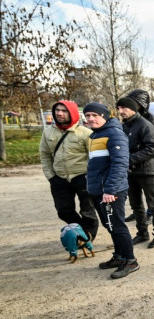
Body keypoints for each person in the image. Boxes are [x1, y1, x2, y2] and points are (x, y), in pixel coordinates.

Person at [83, 103, 139, 279]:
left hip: (111, 191)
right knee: (110, 225)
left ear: (105, 116)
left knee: (117, 225)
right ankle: (119, 256)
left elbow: (120, 164)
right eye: (88, 115)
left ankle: (130, 261)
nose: (91, 119)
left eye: (95, 115)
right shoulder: (94, 135)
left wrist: (110, 190)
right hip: (98, 190)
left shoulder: (114, 134)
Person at [40, 99, 99, 242]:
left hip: (82, 177)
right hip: (59, 178)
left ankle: (88, 237)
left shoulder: (86, 133)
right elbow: (45, 155)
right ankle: (81, 232)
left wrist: (91, 176)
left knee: (87, 211)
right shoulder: (48, 133)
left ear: (72, 113)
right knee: (63, 211)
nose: (59, 113)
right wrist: (51, 177)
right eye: (57, 110)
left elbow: (94, 157)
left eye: (64, 111)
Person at [117, 92, 154, 249]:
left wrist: (129, 159)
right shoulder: (125, 126)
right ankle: (142, 233)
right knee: (136, 204)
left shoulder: (145, 124)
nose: (120, 111)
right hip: (131, 172)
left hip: (147, 171)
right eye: (119, 108)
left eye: (123, 108)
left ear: (133, 108)